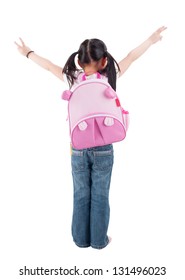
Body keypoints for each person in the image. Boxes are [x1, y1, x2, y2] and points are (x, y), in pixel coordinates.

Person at [15, 26, 167, 249]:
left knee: (80, 194)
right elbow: (131, 57)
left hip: (77, 148)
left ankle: (80, 240)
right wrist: (151, 40)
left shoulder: (72, 77)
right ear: (104, 61)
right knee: (100, 196)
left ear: (79, 61)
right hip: (104, 147)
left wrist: (28, 52)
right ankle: (98, 241)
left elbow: (48, 66)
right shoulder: (110, 75)